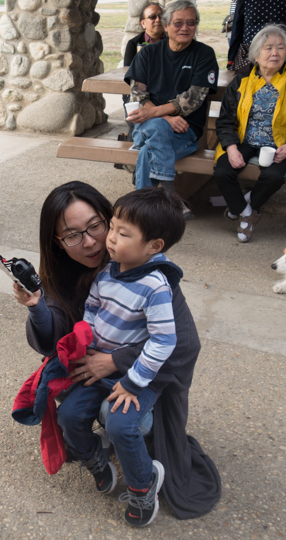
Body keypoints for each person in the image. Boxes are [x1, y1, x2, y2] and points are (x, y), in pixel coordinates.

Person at [13, 181, 220, 520]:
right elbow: (54, 341)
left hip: (140, 380)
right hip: (95, 372)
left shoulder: (148, 275)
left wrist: (115, 361)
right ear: (57, 241)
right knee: (62, 393)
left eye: (96, 225)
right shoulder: (81, 275)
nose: (92, 241)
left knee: (119, 420)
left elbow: (180, 344)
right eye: (73, 235)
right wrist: (37, 307)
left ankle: (140, 477)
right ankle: (96, 449)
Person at [56, 188, 185, 528]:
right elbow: (93, 307)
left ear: (154, 246)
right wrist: (85, 336)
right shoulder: (109, 271)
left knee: (121, 425)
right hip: (100, 366)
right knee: (68, 415)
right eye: (112, 227)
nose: (110, 239)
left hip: (136, 377)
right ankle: (96, 458)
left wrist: (133, 381)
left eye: (123, 233)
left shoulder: (156, 287)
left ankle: (143, 484)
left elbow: (164, 340)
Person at [125, 0, 219, 216]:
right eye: (178, 23)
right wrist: (164, 118)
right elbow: (138, 96)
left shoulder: (204, 54)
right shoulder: (146, 54)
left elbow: (192, 99)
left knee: (148, 151)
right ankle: (170, 194)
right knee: (158, 128)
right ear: (166, 26)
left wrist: (154, 113)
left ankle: (142, 209)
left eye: (191, 22)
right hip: (147, 128)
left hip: (185, 132)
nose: (185, 28)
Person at [214, 23, 286, 242]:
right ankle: (247, 212)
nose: (275, 53)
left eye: (281, 47)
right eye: (268, 48)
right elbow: (225, 119)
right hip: (244, 139)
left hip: (278, 144)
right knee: (223, 170)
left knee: (275, 176)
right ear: (256, 54)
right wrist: (231, 147)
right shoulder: (241, 80)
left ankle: (244, 205)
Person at [122, 2, 164, 67]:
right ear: (143, 23)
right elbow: (128, 69)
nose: (158, 20)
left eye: (161, 16)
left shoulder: (172, 41)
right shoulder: (133, 44)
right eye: (152, 17)